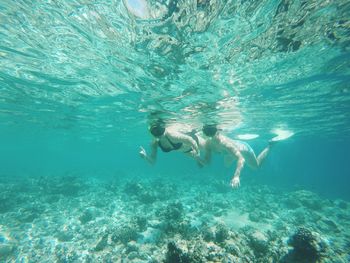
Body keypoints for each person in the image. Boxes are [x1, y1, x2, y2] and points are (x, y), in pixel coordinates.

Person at [201, 124, 275, 188]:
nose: (209, 135)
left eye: (211, 132)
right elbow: (207, 162)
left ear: (217, 132)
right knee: (227, 165)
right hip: (229, 153)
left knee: (256, 167)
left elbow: (241, 159)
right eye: (206, 133)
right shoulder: (208, 144)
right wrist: (196, 157)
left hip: (244, 149)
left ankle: (270, 145)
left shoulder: (225, 144)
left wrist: (236, 176)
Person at [139, 120, 204, 165]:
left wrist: (198, 152)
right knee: (202, 162)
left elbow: (190, 139)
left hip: (194, 141)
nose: (159, 134)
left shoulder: (171, 135)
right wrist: (145, 156)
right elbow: (152, 162)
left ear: (163, 128)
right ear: (152, 134)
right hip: (185, 151)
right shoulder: (154, 143)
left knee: (208, 146)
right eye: (155, 132)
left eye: (159, 130)